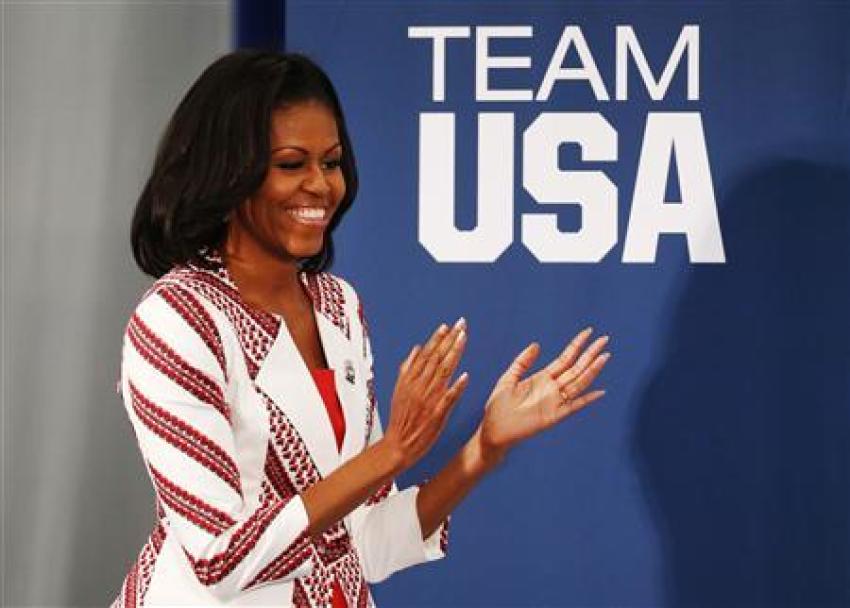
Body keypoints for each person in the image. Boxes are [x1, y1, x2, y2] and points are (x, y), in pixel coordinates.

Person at [111, 49, 611, 607]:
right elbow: (221, 558)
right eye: (291, 164)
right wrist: (393, 451)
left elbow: (366, 540)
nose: (321, 186)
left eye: (331, 162)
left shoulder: (337, 307)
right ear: (229, 172)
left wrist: (483, 447)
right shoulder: (178, 320)